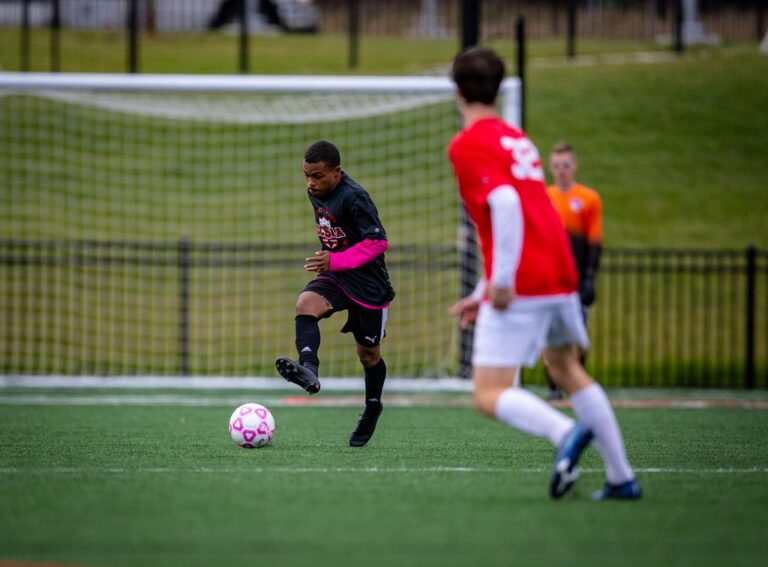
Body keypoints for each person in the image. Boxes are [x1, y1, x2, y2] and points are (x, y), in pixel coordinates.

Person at [447, 47, 640, 500]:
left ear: (457, 92)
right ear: (498, 88)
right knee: (566, 367)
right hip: (559, 271)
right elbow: (522, 215)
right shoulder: (517, 138)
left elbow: (507, 207)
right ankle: (621, 479)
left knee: (488, 392)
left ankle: (563, 434)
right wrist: (483, 286)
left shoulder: (467, 144)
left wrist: (501, 282)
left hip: (524, 281)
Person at [276, 140, 395, 447]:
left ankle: (372, 407)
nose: (310, 183)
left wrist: (336, 258)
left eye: (317, 176)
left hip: (369, 285)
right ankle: (309, 369)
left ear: (336, 172)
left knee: (368, 355)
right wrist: (333, 263)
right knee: (305, 304)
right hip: (336, 275)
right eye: (306, 175)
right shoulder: (315, 192)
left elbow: (378, 243)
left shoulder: (355, 197)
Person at [543, 141, 603, 401]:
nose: (562, 171)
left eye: (566, 165)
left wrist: (589, 277)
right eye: (557, 166)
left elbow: (594, 242)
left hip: (576, 280)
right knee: (549, 333)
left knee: (577, 333)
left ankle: (574, 383)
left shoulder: (589, 198)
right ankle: (555, 387)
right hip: (550, 280)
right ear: (550, 168)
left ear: (574, 166)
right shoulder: (546, 197)